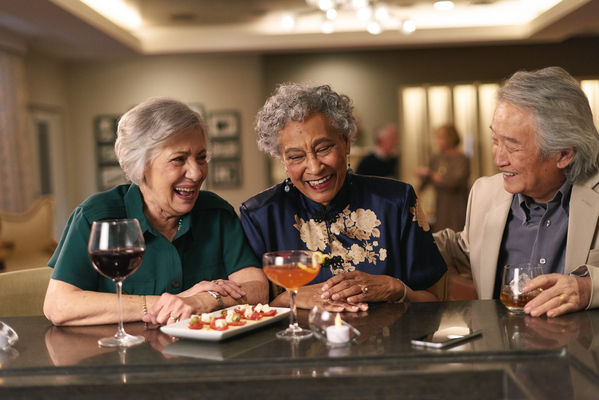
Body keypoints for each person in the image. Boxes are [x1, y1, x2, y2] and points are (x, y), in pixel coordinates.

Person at [44, 98, 268, 326]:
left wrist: (205, 300)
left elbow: (257, 289)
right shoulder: (95, 217)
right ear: (141, 166)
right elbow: (59, 306)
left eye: (201, 158)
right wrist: (175, 301)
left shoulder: (217, 213)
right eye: (178, 159)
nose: (197, 172)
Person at [240, 83, 447, 312]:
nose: (315, 167)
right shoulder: (259, 215)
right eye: (296, 156)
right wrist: (291, 298)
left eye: (324, 148)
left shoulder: (397, 202)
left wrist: (395, 288)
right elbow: (251, 312)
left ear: (346, 142)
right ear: (282, 160)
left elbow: (434, 303)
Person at [434, 66, 599, 318]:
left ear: (564, 154)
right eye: (495, 140)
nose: (498, 159)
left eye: (512, 146)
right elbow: (468, 250)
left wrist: (589, 288)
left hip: (581, 355)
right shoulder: (485, 192)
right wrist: (396, 233)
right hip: (502, 352)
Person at [416, 123, 470, 231]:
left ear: (450, 139)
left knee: (456, 233)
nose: (437, 141)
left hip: (456, 206)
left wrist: (431, 173)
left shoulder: (461, 159)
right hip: (440, 206)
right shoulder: (436, 158)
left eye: (440, 138)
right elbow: (425, 182)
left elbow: (454, 182)